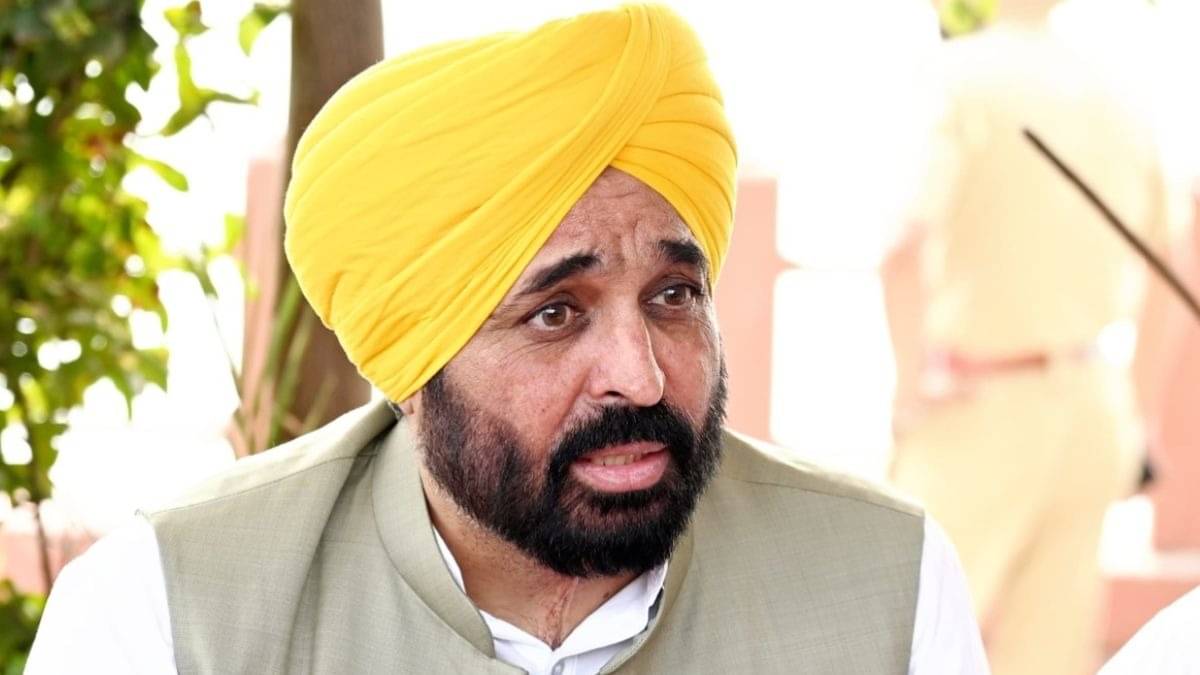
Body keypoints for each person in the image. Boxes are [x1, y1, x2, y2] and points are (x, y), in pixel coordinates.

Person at [29, 5, 987, 673]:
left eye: (671, 296)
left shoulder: (886, 584)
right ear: (411, 366)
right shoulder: (169, 610)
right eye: (555, 313)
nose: (640, 376)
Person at [883, 1, 1183, 673]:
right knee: (1048, 657)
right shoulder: (1116, 93)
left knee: (901, 639)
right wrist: (1136, 416)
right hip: (1093, 414)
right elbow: (1170, 264)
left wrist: (908, 390)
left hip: (979, 406)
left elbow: (902, 246)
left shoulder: (957, 79)